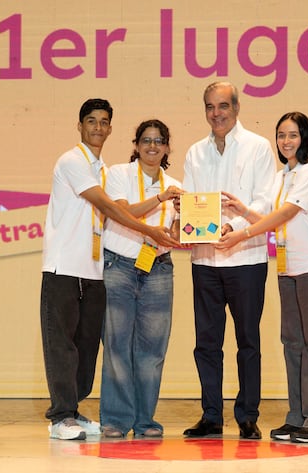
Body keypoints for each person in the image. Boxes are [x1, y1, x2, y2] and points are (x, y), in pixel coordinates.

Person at [41, 98, 178, 441]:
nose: (98, 128)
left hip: (97, 267)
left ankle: (81, 412)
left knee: (89, 344)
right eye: (92, 121)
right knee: (68, 342)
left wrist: (197, 229)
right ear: (80, 125)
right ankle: (63, 416)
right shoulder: (79, 163)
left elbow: (177, 230)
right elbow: (113, 209)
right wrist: (152, 226)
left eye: (104, 122)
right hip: (71, 265)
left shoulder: (101, 169)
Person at [216, 111, 308, 443]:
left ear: (306, 137)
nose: (285, 142)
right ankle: (298, 416)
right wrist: (242, 212)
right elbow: (271, 217)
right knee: (294, 343)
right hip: (289, 269)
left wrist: (242, 236)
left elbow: (286, 214)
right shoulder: (282, 175)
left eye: (292, 135)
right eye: (281, 135)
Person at [181, 81, 277, 440]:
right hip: (205, 259)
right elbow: (192, 201)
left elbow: (265, 202)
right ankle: (211, 416)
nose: (216, 113)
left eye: (222, 106)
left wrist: (232, 226)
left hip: (247, 259)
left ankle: (248, 415)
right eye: (209, 107)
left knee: (248, 340)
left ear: (237, 108)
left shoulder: (258, 148)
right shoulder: (194, 152)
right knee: (206, 342)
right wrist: (184, 216)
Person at [99, 119, 183, 439]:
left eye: (159, 141)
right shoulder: (118, 174)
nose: (152, 146)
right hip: (118, 266)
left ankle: (146, 420)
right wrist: (162, 199)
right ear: (136, 145)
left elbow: (175, 236)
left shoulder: (175, 184)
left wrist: (184, 218)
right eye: (146, 140)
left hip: (158, 268)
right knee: (117, 347)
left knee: (152, 351)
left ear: (166, 147)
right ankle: (117, 420)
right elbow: (124, 212)